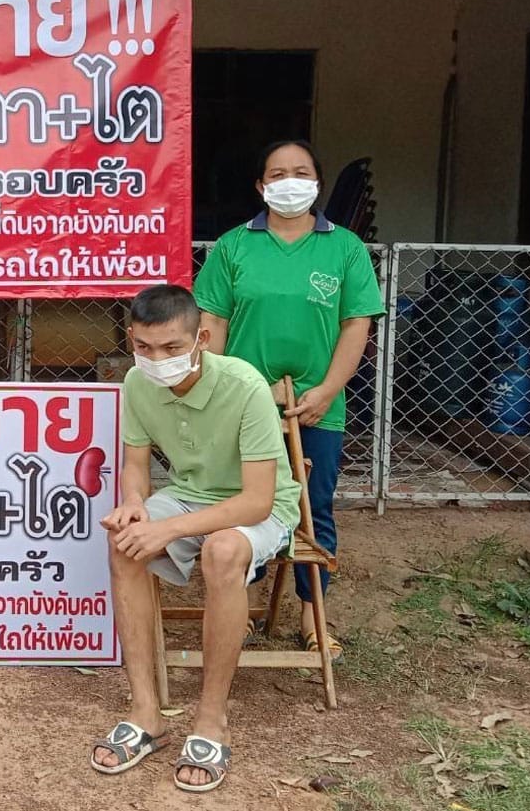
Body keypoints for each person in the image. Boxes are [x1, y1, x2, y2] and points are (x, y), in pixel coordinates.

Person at [92, 284, 299, 794]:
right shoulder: (137, 382)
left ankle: (211, 720)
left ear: (201, 339)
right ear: (130, 338)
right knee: (123, 540)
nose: (157, 359)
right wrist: (135, 503)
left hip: (258, 507)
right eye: (144, 347)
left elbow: (256, 501)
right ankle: (146, 714)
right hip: (188, 496)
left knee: (223, 550)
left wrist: (168, 527)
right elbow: (135, 466)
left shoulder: (244, 385)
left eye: (171, 347)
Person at [193, 140, 384, 658]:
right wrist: (217, 389)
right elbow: (212, 322)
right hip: (243, 404)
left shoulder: (345, 248)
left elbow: (357, 324)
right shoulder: (234, 246)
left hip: (319, 405)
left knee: (312, 507)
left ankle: (311, 616)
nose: (289, 182)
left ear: (317, 183)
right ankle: (242, 608)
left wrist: (328, 390)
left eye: (300, 172)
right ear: (261, 186)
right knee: (239, 503)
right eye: (277, 174)